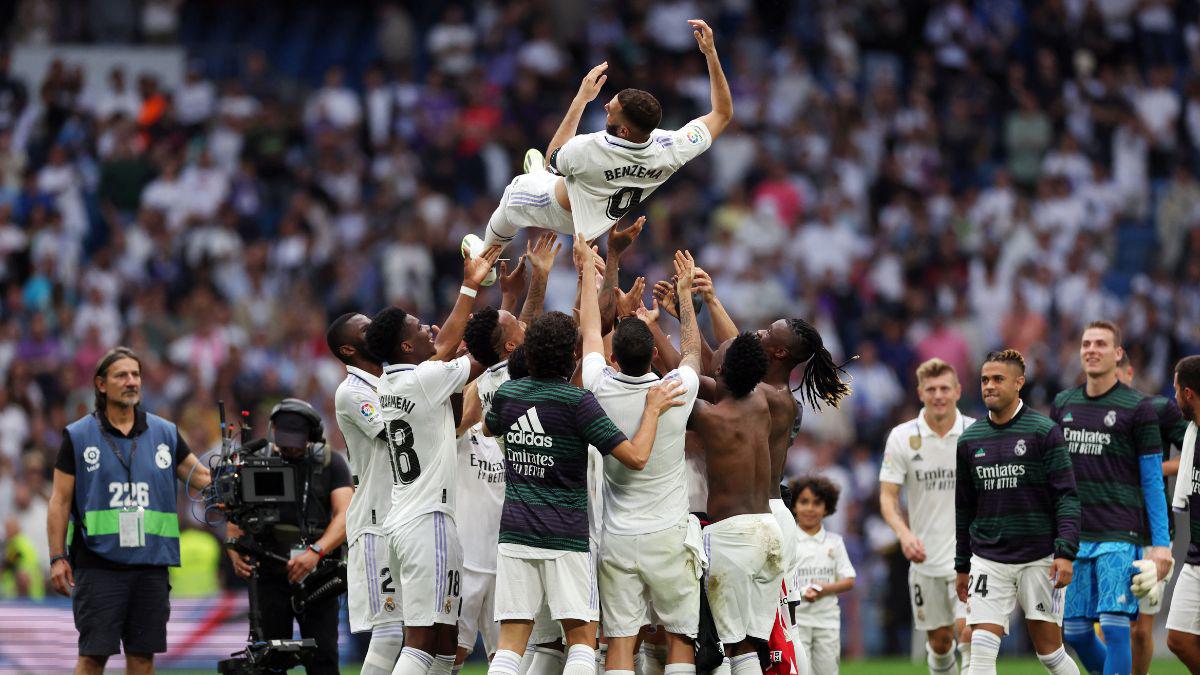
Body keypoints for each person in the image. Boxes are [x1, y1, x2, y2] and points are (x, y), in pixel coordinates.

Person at [481, 236, 686, 675]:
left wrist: (589, 276)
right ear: (570, 355)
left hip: (515, 531)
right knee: (582, 637)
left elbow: (487, 427)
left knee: (511, 642)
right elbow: (633, 456)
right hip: (566, 534)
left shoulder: (509, 395)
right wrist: (650, 410)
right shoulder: (578, 404)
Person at [472, 19, 731, 255]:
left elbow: (554, 156)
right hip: (600, 218)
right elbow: (722, 113)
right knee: (561, 171)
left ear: (624, 131)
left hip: (558, 208)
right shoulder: (673, 148)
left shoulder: (590, 149)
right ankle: (539, 176)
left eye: (612, 110)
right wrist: (711, 53)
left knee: (513, 194)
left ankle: (485, 259)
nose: (606, 106)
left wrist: (580, 99)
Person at [363, 244, 500, 675]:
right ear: (406, 345)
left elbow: (455, 402)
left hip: (422, 518)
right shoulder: (423, 378)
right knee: (421, 641)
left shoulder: (398, 382)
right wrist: (471, 287)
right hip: (427, 520)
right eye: (419, 327)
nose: (429, 329)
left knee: (443, 641)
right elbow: (473, 355)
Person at [46, 347, 212, 675]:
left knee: (142, 660)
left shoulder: (165, 432)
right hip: (98, 565)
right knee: (93, 659)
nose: (131, 381)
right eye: (122, 375)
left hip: (150, 566)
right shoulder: (78, 436)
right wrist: (57, 557)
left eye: (136, 374)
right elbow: (59, 501)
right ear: (101, 385)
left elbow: (202, 478)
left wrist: (236, 475)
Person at [583, 249, 703, 675]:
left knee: (620, 641)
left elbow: (591, 334)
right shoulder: (677, 390)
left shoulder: (596, 386)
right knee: (680, 638)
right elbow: (692, 352)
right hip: (668, 533)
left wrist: (589, 273)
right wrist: (685, 297)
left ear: (614, 359)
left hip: (617, 536)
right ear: (654, 354)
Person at [1051, 321, 1171, 675]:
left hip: (1120, 534)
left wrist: (1161, 544)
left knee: (1116, 626)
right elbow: (1056, 476)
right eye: (1087, 343)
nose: (1091, 349)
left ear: (1117, 354)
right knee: (1074, 631)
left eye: (1101, 343)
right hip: (1075, 536)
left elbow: (1151, 481)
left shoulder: (1138, 408)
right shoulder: (1063, 404)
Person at [954, 349, 1080, 675]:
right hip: (988, 557)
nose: (989, 386)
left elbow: (1067, 496)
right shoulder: (970, 440)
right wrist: (962, 565)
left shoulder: (1044, 432)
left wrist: (1065, 552)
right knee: (980, 646)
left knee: (1050, 654)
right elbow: (964, 508)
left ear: (1019, 383)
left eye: (998, 379)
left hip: (1038, 556)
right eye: (984, 380)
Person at [226, 399, 353, 675]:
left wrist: (316, 552)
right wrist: (233, 549)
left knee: (324, 659)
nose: (289, 447)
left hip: (318, 577)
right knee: (268, 662)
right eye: (284, 440)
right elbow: (235, 512)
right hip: (269, 575)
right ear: (272, 431)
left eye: (296, 441)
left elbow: (346, 515)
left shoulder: (331, 463)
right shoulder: (255, 461)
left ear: (313, 436)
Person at [691, 330, 781, 675]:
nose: (713, 353)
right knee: (747, 646)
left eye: (719, 354)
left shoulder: (708, 416)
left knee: (720, 647)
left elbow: (684, 380)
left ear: (720, 371)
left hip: (732, 537)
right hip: (769, 532)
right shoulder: (759, 401)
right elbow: (706, 379)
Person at [879, 358, 974, 673]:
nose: (938, 395)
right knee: (940, 642)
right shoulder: (902, 437)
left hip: (972, 556)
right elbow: (888, 496)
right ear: (920, 392)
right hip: (925, 557)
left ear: (958, 391)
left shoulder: (976, 433)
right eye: (931, 389)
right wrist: (904, 535)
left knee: (968, 632)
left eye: (945, 388)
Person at [327, 312, 404, 675]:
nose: (374, 329)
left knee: (418, 632)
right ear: (348, 348)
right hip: (376, 522)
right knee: (389, 633)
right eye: (365, 328)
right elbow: (396, 432)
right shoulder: (352, 392)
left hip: (404, 517)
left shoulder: (390, 379)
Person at [1116, 352, 1189, 675]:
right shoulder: (1088, 413)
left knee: (1140, 629)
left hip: (1153, 530)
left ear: (1129, 372)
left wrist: (1152, 469)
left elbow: (1191, 453)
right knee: (1110, 625)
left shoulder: (1158, 409)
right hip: (1110, 530)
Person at [789, 475, 856, 675]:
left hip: (827, 620)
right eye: (804, 502)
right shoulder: (789, 541)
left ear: (827, 508)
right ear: (793, 506)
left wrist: (825, 589)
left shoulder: (834, 542)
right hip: (797, 621)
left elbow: (849, 579)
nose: (810, 508)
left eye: (817, 503)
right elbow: (781, 581)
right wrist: (801, 591)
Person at [1166, 355, 1200, 670]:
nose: (1173, 398)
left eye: (1175, 390)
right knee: (1178, 638)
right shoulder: (1193, 434)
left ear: (1188, 393)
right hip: (1196, 555)